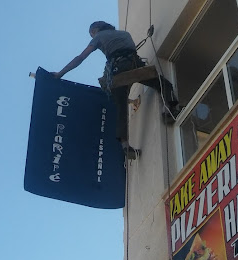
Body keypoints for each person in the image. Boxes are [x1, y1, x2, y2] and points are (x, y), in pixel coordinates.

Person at [51, 21, 178, 159]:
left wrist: (60, 73)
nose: (92, 36)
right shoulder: (124, 34)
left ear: (96, 29)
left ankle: (125, 145)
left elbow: (80, 58)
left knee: (121, 108)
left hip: (117, 72)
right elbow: (130, 49)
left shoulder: (99, 37)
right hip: (134, 64)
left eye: (91, 33)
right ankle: (167, 111)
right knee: (162, 83)